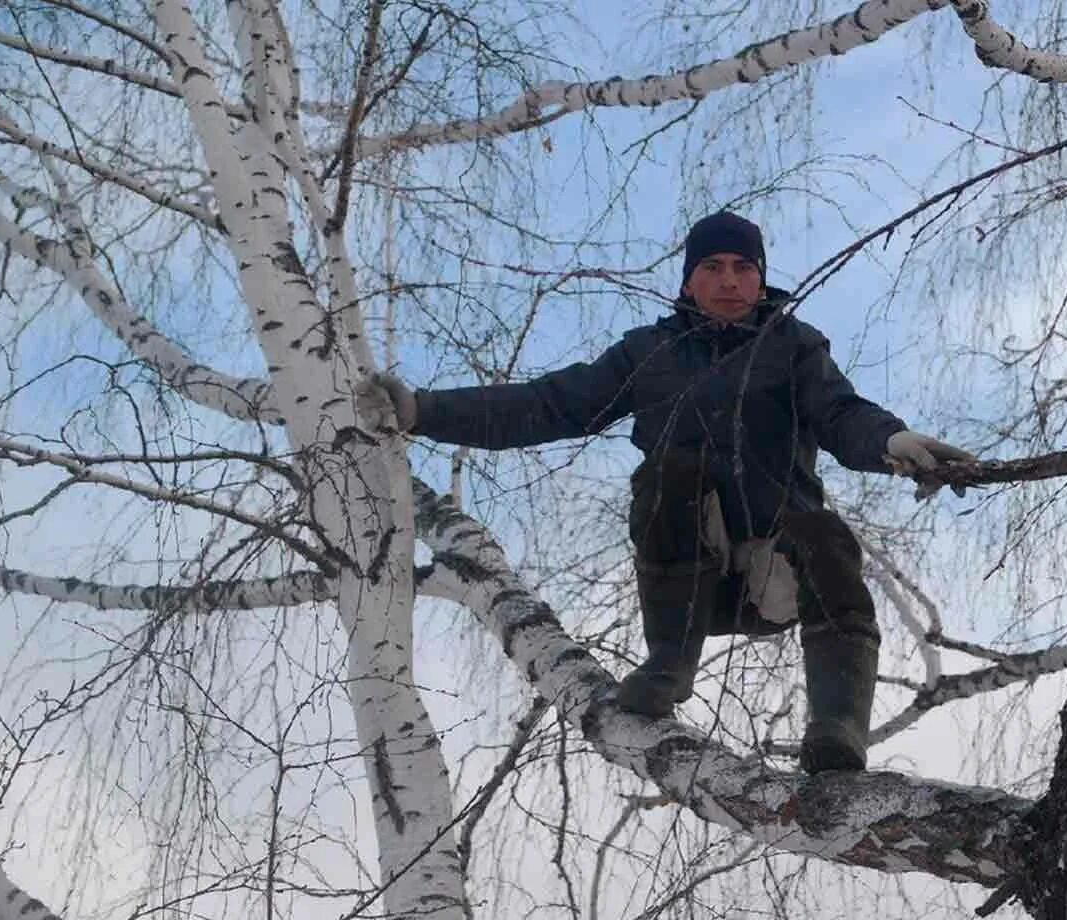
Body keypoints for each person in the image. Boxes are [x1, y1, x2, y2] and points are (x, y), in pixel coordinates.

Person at [359, 211, 974, 773]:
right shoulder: (649, 353)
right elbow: (549, 404)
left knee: (825, 532)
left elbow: (841, 413)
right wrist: (423, 410)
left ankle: (838, 730)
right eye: (712, 267)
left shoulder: (792, 347)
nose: (729, 280)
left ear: (761, 281)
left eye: (743, 267)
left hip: (776, 573)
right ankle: (669, 664)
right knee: (666, 475)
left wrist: (893, 442)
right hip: (683, 577)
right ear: (687, 282)